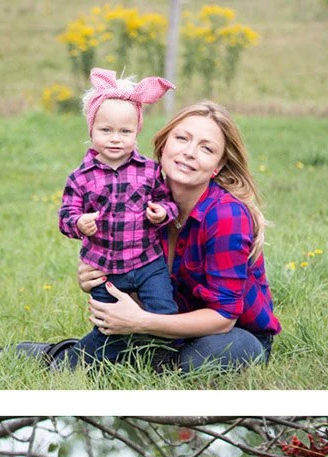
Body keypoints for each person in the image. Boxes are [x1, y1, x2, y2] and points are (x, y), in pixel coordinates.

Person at [19, 101, 281, 374]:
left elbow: (224, 318)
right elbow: (136, 274)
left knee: (202, 357)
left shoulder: (225, 216)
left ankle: (117, 356)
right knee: (140, 344)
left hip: (231, 333)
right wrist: (97, 275)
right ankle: (76, 355)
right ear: (163, 144)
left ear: (218, 165)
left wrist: (141, 322)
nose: (190, 153)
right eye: (182, 138)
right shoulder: (141, 197)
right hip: (168, 322)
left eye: (207, 148)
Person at [57, 69, 178, 364]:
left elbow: (167, 201)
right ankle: (80, 364)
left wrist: (162, 212)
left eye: (125, 132)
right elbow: (65, 216)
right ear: (91, 130)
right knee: (108, 326)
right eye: (106, 130)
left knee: (164, 313)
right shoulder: (80, 178)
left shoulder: (150, 170)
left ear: (136, 132)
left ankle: (162, 359)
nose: (115, 139)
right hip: (105, 269)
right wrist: (78, 223)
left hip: (149, 262)